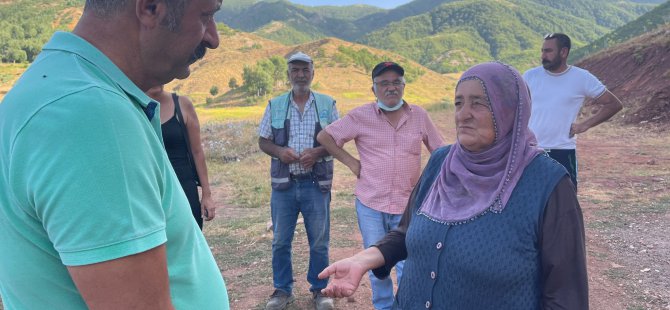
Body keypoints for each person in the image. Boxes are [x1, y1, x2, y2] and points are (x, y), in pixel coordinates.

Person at [0, 0, 229, 309]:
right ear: (150, 8)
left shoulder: (54, 87)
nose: (212, 38)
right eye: (206, 16)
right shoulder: (90, 115)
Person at [318, 62, 589, 309]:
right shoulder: (441, 162)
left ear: (509, 108)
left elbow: (566, 297)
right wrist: (362, 260)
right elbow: (406, 232)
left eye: (479, 103)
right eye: (459, 103)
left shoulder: (547, 183)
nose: (463, 114)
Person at [317, 61, 444, 310]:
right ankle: (384, 306)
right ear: (373, 89)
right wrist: (351, 162)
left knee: (409, 260)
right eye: (383, 83)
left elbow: (440, 150)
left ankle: (408, 304)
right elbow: (325, 137)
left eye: (396, 82)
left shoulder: (418, 115)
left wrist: (432, 182)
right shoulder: (361, 116)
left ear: (404, 85)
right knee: (376, 262)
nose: (391, 87)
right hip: (370, 203)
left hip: (408, 205)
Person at [258, 51, 338, 310]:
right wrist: (281, 152)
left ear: (313, 73)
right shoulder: (275, 104)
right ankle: (282, 290)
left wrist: (317, 152)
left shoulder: (327, 104)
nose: (301, 75)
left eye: (305, 70)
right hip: (285, 185)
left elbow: (338, 140)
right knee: (281, 240)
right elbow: (263, 140)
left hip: (317, 185)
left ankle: (320, 290)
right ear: (289, 75)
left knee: (319, 241)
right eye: (295, 70)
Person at [524, 33, 623, 188]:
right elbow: (515, 106)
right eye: (542, 51)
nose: (543, 55)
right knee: (532, 200)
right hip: (532, 151)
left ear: (564, 52)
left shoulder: (581, 77)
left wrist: (585, 125)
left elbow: (613, 104)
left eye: (548, 51)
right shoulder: (530, 76)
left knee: (566, 202)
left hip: (562, 151)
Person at [147, 85, 216, 229]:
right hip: (149, 189)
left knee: (190, 238)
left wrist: (207, 195)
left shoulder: (182, 104)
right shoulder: (132, 105)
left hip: (184, 187)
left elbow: (197, 151)